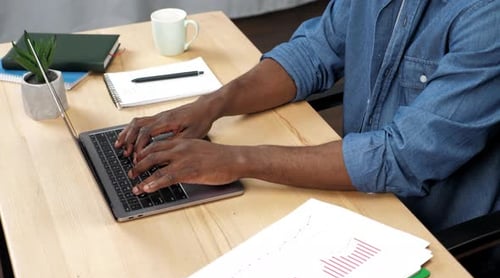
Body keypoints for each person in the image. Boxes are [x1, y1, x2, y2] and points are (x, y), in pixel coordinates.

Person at [115, 0, 500, 235]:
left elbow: (401, 157)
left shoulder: (488, 16)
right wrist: (209, 106)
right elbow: (314, 51)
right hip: (356, 197)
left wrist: (236, 160)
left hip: (438, 234)